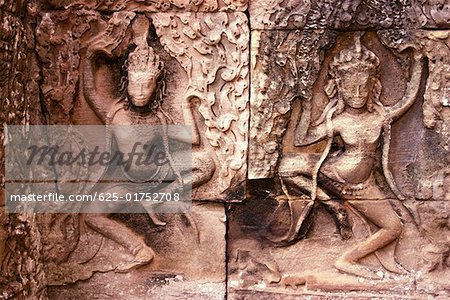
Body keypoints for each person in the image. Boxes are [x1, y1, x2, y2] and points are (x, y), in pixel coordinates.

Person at [278, 35, 423, 279]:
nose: (357, 93)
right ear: (339, 88)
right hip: (335, 175)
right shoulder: (339, 121)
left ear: (372, 86)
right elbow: (303, 140)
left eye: (362, 87)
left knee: (394, 227)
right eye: (350, 88)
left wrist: (418, 61)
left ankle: (346, 260)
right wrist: (303, 106)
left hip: (364, 185)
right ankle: (331, 204)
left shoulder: (381, 117)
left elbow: (408, 99)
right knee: (286, 167)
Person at [81, 19, 215, 272]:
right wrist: (89, 58)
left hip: (159, 176)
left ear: (157, 87)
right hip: (130, 185)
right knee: (91, 215)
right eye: (135, 84)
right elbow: (90, 92)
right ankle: (138, 249)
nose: (141, 91)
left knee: (205, 163)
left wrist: (187, 106)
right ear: (126, 83)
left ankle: (161, 197)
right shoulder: (115, 114)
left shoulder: (158, 119)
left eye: (147, 85)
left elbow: (192, 139)